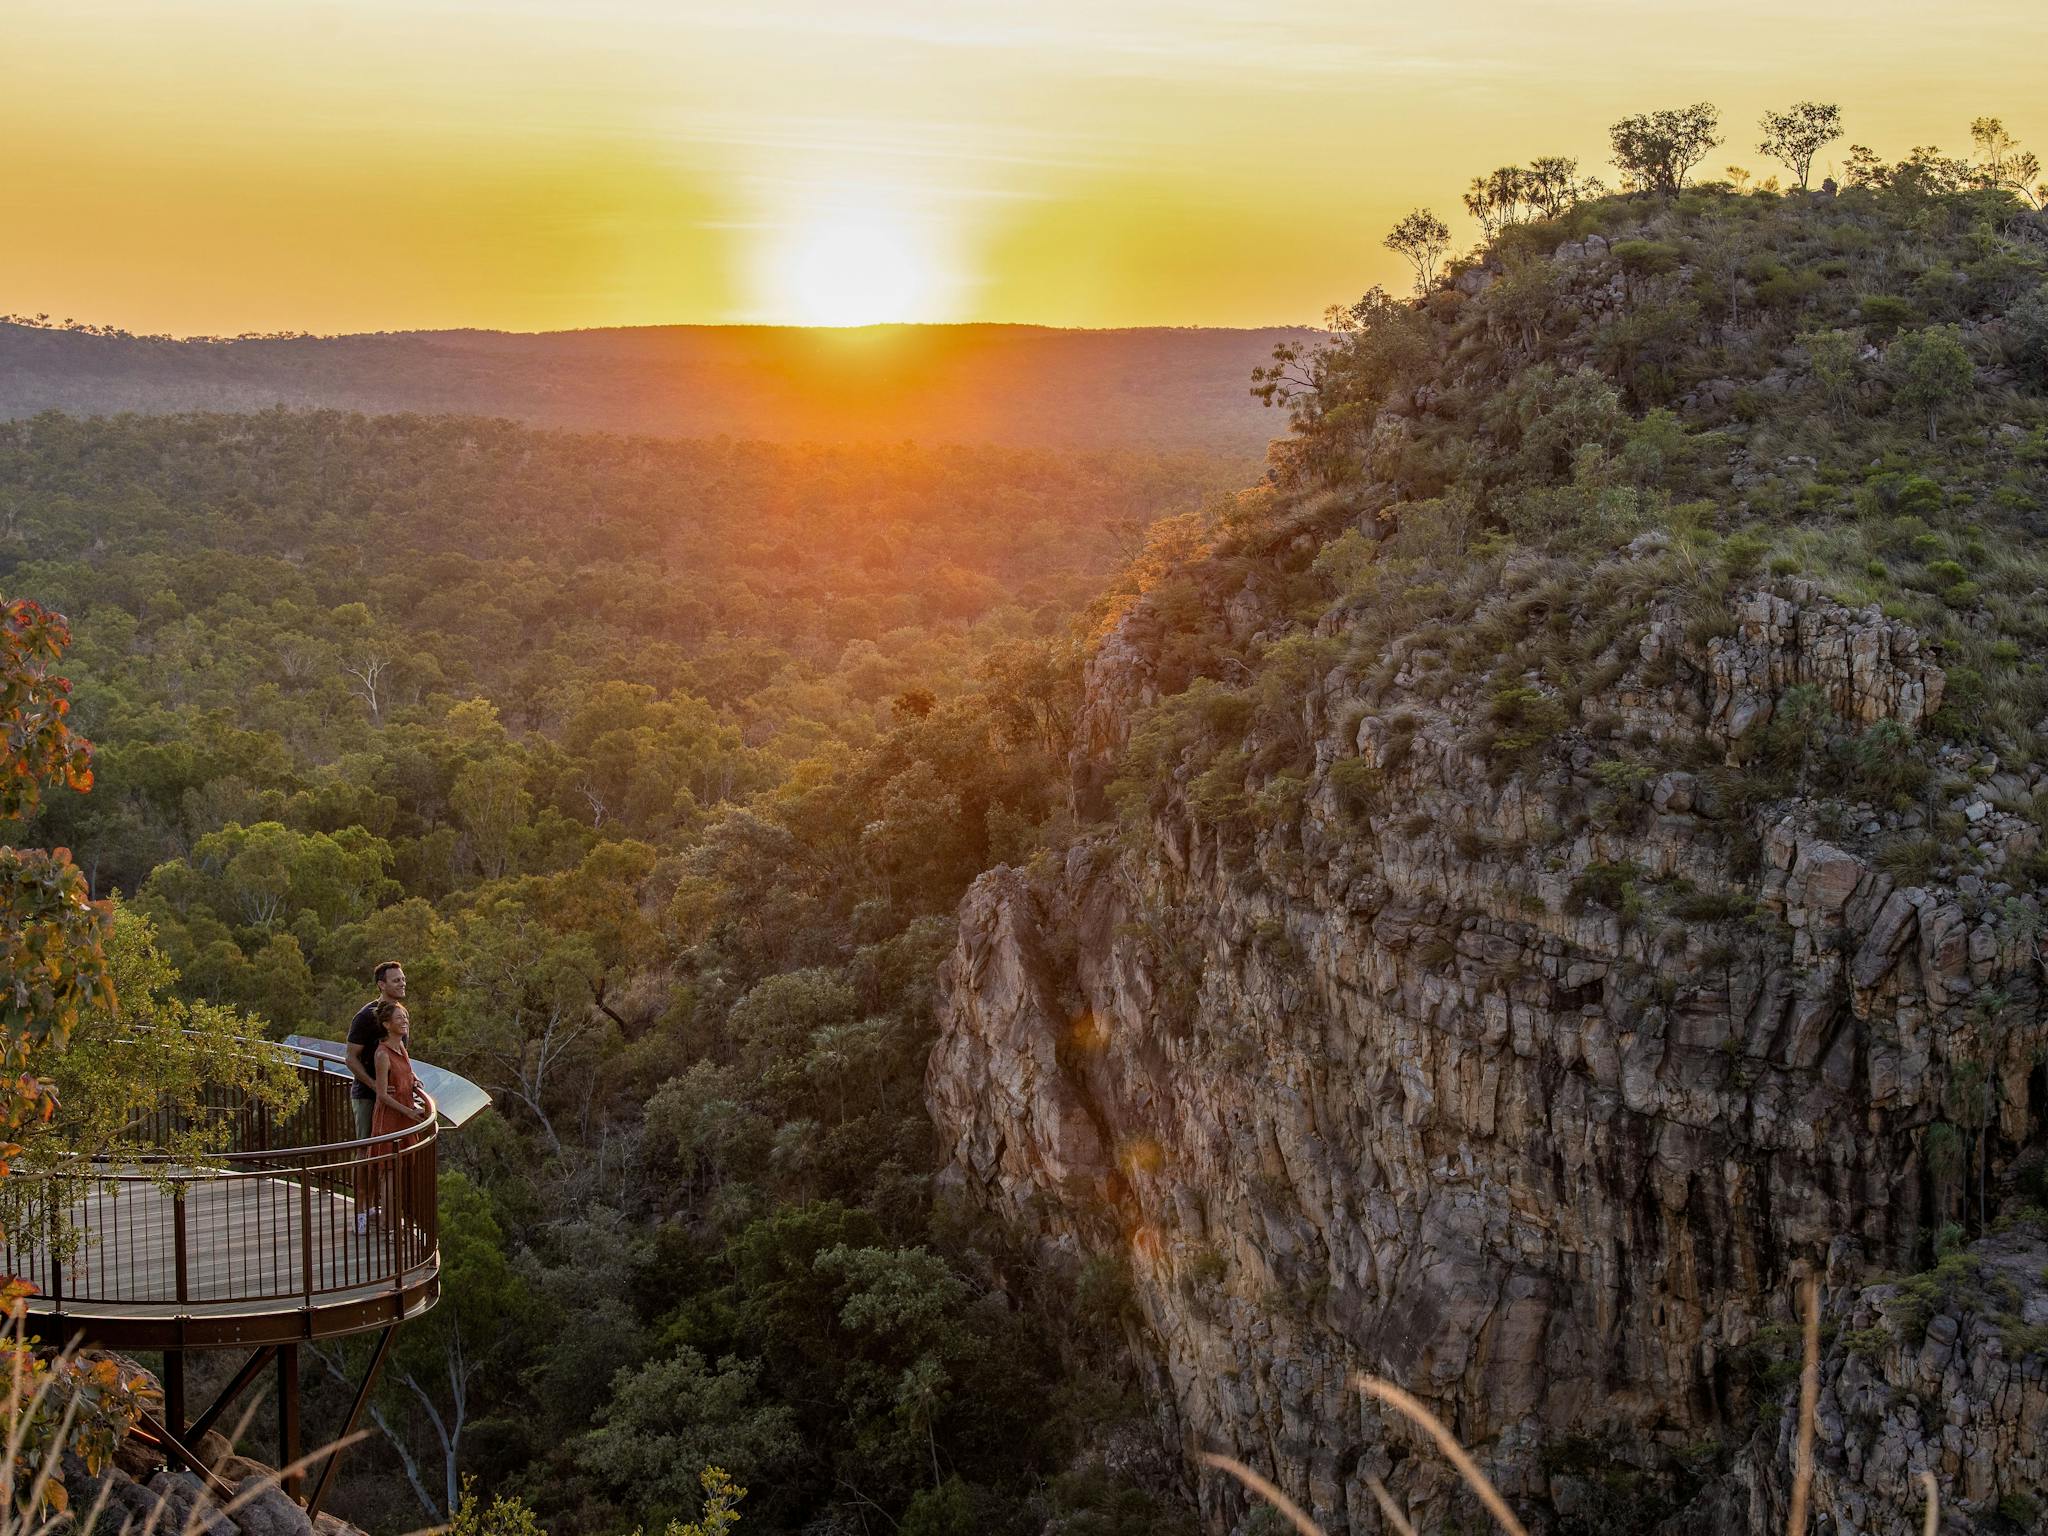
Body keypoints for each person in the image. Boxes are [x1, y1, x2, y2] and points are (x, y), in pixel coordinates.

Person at [346, 961, 407, 1141]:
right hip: (366, 1096)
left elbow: (401, 1050)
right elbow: (350, 1058)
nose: (402, 983)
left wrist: (411, 1077)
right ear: (381, 985)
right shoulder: (365, 1016)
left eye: (403, 979)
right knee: (366, 1148)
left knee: (390, 1148)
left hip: (394, 1096)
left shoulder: (400, 1013)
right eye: (396, 980)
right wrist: (374, 1084)